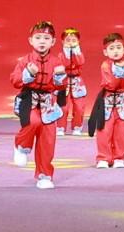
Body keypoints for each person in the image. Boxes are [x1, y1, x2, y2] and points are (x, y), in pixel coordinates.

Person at [10, 21, 68, 189]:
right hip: (29, 99)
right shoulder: (25, 61)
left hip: (48, 103)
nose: (42, 41)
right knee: (33, 122)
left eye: (46, 38)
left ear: (53, 42)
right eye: (38, 38)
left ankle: (44, 176)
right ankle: (21, 146)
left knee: (47, 140)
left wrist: (60, 77)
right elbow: (14, 80)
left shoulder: (57, 62)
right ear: (31, 41)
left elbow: (61, 87)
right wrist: (28, 73)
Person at [91, 32, 124, 168]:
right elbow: (111, 84)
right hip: (108, 101)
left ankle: (119, 157)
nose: (115, 51)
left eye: (118, 48)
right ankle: (104, 157)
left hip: (123, 101)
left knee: (122, 131)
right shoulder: (105, 65)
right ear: (105, 52)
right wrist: (120, 70)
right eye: (111, 48)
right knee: (104, 130)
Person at [60, 27, 89, 136]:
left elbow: (80, 62)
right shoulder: (61, 55)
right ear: (63, 41)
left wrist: (76, 51)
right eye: (68, 40)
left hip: (77, 82)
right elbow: (65, 64)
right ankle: (60, 127)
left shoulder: (79, 54)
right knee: (63, 106)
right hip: (64, 80)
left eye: (73, 40)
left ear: (78, 41)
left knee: (79, 107)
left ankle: (77, 127)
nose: (71, 43)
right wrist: (67, 52)